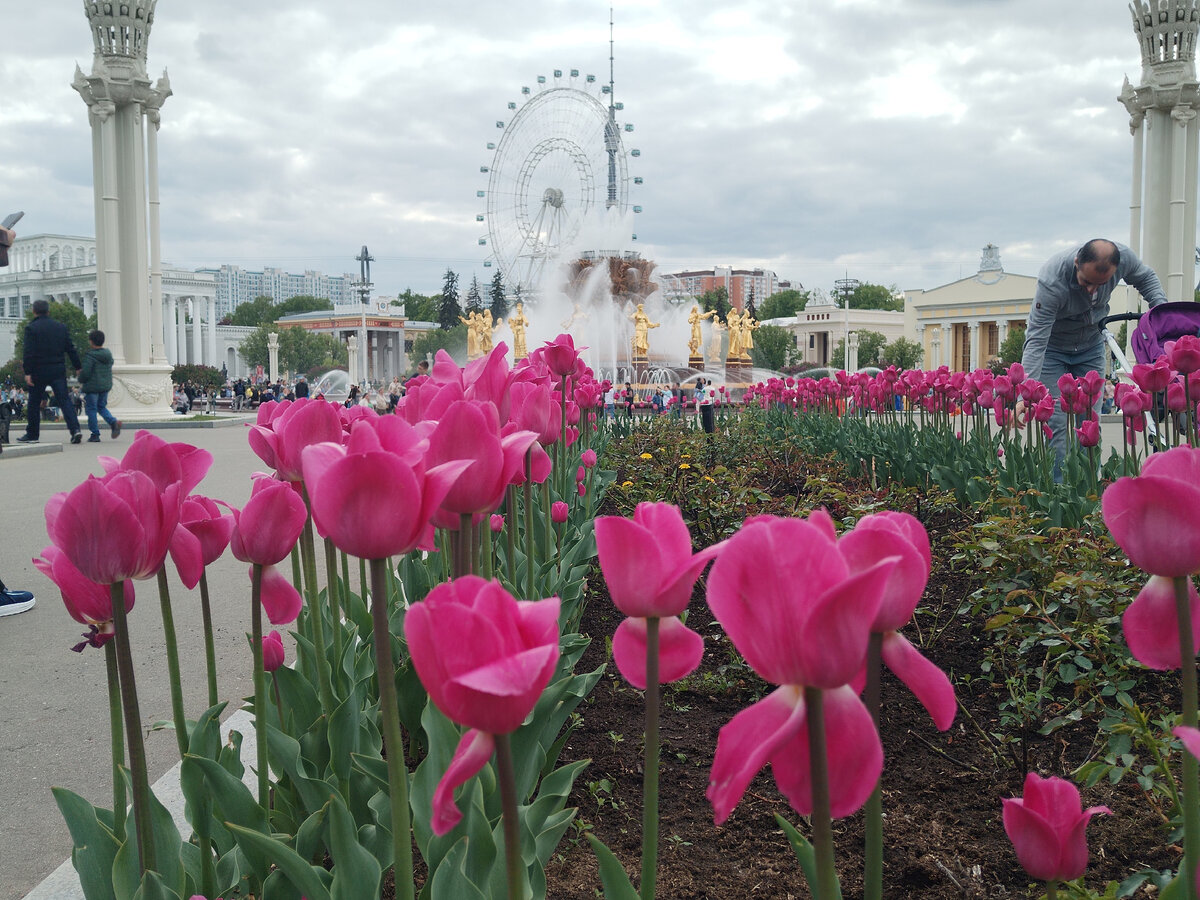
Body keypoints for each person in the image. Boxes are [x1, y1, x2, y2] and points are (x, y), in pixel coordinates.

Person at [1019, 238, 1167, 480]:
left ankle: (1089, 489)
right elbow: (1036, 340)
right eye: (1086, 282)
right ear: (1077, 262)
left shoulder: (1124, 258)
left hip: (1091, 346)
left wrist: (1162, 313)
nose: (1092, 290)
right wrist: (1024, 394)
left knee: (1090, 423)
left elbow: (1146, 278)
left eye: (1101, 284)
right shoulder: (1052, 280)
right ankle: (1059, 492)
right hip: (1053, 350)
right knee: (1057, 422)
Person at [19, 298, 83, 444]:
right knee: (65, 401)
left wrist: (27, 372)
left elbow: (28, 352)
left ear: (34, 311)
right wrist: (78, 366)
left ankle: (33, 435)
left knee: (34, 403)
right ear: (48, 311)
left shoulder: (31, 328)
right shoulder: (60, 327)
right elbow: (70, 349)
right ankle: (75, 430)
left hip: (38, 371)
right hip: (57, 370)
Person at [79, 329, 122, 442]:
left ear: (91, 341)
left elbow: (86, 372)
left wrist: (80, 378)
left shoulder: (90, 356)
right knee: (101, 407)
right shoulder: (108, 355)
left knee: (91, 410)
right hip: (105, 385)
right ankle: (113, 422)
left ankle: (95, 434)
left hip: (92, 387)